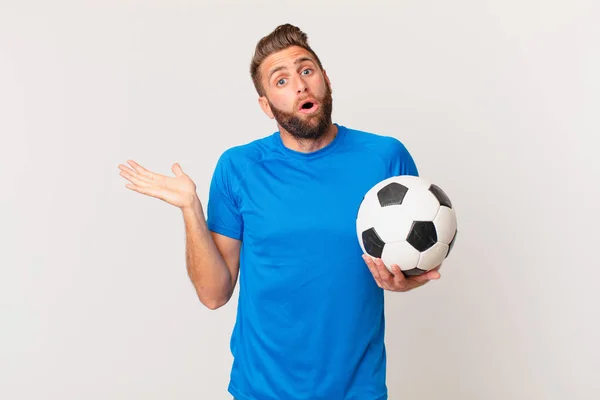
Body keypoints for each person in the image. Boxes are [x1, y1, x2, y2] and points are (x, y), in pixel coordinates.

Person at [118, 23, 441, 400]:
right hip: (261, 390)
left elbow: (408, 256)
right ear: (265, 105)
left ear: (326, 80)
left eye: (306, 70)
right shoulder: (238, 167)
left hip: (357, 390)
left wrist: (407, 280)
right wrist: (191, 209)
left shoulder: (385, 157)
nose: (300, 85)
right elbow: (213, 294)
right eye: (281, 80)